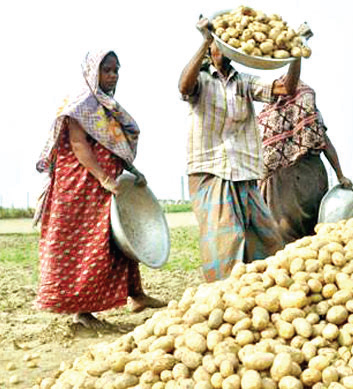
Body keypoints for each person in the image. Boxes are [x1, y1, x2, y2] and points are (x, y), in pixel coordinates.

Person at [34, 50, 164, 330]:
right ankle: (81, 312)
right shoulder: (81, 104)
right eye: (107, 70)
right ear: (93, 71)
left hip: (104, 183)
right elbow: (79, 146)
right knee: (86, 245)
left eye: (116, 70)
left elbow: (113, 148)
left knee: (119, 238)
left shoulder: (107, 106)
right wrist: (104, 178)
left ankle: (136, 295)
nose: (113, 75)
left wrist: (133, 172)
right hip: (81, 186)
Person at [178, 17, 300, 282]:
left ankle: (262, 286)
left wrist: (295, 54)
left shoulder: (243, 81)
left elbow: (286, 88)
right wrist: (205, 42)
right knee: (226, 237)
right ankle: (222, 294)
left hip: (243, 171)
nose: (224, 49)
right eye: (218, 44)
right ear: (211, 51)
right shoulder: (201, 79)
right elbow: (183, 87)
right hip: (210, 169)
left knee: (265, 234)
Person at [257, 79, 353, 244]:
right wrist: (340, 175)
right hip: (295, 180)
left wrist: (340, 175)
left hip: (298, 180)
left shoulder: (266, 118)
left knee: (292, 234)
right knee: (301, 233)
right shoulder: (304, 114)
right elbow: (326, 144)